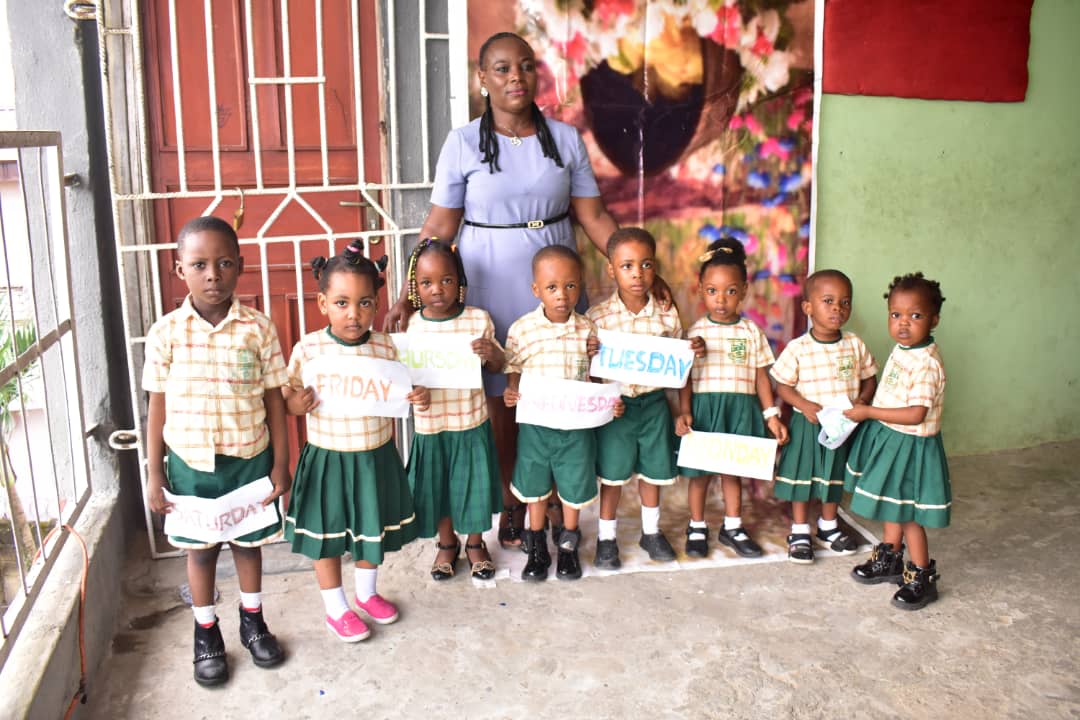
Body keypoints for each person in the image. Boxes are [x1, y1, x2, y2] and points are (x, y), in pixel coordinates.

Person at [383, 32, 672, 550]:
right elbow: (439, 225)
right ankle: (515, 503)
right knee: (502, 400)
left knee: (563, 387)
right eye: (500, 69)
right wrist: (409, 287)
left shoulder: (564, 139)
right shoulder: (463, 142)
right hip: (488, 279)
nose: (515, 77)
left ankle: (562, 506)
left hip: (556, 282)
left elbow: (593, 216)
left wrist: (637, 265)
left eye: (524, 66)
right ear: (482, 79)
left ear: (536, 74)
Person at [143, 215, 289, 686]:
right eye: (200, 264)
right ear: (179, 268)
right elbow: (156, 405)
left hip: (249, 459)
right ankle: (205, 630)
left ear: (240, 266)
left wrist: (281, 464)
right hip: (190, 465)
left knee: (249, 546)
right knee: (202, 551)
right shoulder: (165, 333)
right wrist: (153, 473)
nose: (213, 274)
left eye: (224, 263)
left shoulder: (259, 329)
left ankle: (253, 620)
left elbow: (273, 399)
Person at [283, 242, 427, 642]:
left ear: (377, 303)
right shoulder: (310, 349)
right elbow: (287, 396)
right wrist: (296, 403)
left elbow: (401, 390)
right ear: (322, 303)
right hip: (329, 457)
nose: (354, 313)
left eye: (365, 303)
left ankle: (366, 594)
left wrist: (417, 396)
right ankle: (336, 608)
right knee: (327, 535)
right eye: (342, 303)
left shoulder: (384, 346)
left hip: (374, 457)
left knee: (371, 527)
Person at [586, 228, 704, 568]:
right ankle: (606, 538)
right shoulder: (598, 318)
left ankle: (650, 532)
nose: (637, 273)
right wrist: (602, 398)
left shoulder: (666, 314)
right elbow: (589, 370)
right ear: (611, 270)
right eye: (627, 266)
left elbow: (681, 366)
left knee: (653, 473)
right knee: (613, 476)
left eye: (645, 264)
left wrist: (684, 410)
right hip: (617, 408)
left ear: (655, 268)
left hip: (654, 406)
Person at [503, 245, 622, 581]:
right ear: (536, 290)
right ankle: (537, 547)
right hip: (537, 427)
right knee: (536, 486)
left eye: (570, 286)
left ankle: (568, 547)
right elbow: (514, 369)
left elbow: (597, 376)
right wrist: (513, 391)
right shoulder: (522, 330)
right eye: (552, 287)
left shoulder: (588, 331)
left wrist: (608, 399)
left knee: (573, 485)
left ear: (580, 286)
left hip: (577, 427)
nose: (562, 295)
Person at [675, 238, 789, 559]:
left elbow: (760, 376)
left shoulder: (751, 332)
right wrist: (685, 412)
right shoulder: (695, 334)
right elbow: (683, 378)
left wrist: (771, 415)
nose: (721, 299)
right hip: (705, 410)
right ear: (700, 290)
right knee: (699, 475)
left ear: (743, 291)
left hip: (740, 408)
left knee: (731, 470)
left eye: (730, 291)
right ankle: (697, 526)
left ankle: (733, 526)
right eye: (712, 291)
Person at [843, 272, 949, 610]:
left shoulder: (927, 363)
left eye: (915, 316)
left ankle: (922, 576)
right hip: (890, 438)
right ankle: (889, 559)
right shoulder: (902, 349)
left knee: (908, 516)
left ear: (934, 319)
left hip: (911, 446)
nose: (903, 323)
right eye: (896, 315)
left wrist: (870, 412)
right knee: (891, 502)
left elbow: (916, 413)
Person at [402, 238, 504, 581]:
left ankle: (475, 544)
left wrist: (490, 352)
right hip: (431, 426)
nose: (437, 290)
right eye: (426, 283)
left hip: (469, 422)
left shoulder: (477, 319)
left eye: (446, 280)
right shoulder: (413, 325)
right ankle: (447, 544)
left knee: (471, 487)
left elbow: (497, 367)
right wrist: (412, 392)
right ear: (415, 287)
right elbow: (404, 377)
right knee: (438, 487)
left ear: (459, 281)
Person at [771, 269, 878, 563]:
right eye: (828, 301)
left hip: (842, 425)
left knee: (833, 475)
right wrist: (804, 405)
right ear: (808, 308)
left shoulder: (854, 344)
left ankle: (828, 526)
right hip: (809, 424)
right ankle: (800, 530)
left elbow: (870, 377)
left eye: (845, 302)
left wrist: (863, 400)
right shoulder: (798, 348)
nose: (837, 308)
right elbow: (783, 385)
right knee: (802, 475)